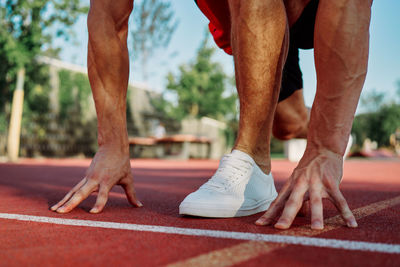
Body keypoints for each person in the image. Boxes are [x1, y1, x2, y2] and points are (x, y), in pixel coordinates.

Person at [51, 0, 372, 231]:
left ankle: (252, 165)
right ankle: (307, 122)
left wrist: (325, 148)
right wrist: (112, 145)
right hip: (247, 16)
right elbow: (108, 18)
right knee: (286, 124)